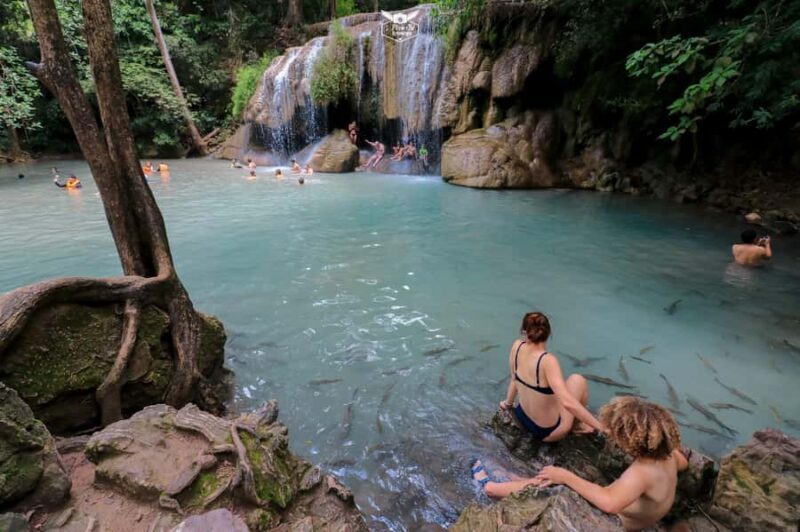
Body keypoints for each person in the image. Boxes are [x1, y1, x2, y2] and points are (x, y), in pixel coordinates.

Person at [472, 397, 689, 531]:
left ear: (633, 441)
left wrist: (566, 477)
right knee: (569, 480)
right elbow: (684, 464)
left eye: (618, 434)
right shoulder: (669, 456)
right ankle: (519, 481)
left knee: (560, 486)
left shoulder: (642, 473)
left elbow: (610, 503)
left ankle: (491, 489)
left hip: (621, 520)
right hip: (639, 514)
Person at [500, 312, 604, 441]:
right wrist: (603, 428)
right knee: (577, 380)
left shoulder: (517, 346)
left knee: (552, 390)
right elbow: (568, 403)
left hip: (522, 418)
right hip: (546, 432)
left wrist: (508, 404)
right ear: (548, 333)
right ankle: (577, 425)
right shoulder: (547, 360)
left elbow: (514, 379)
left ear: (524, 331)